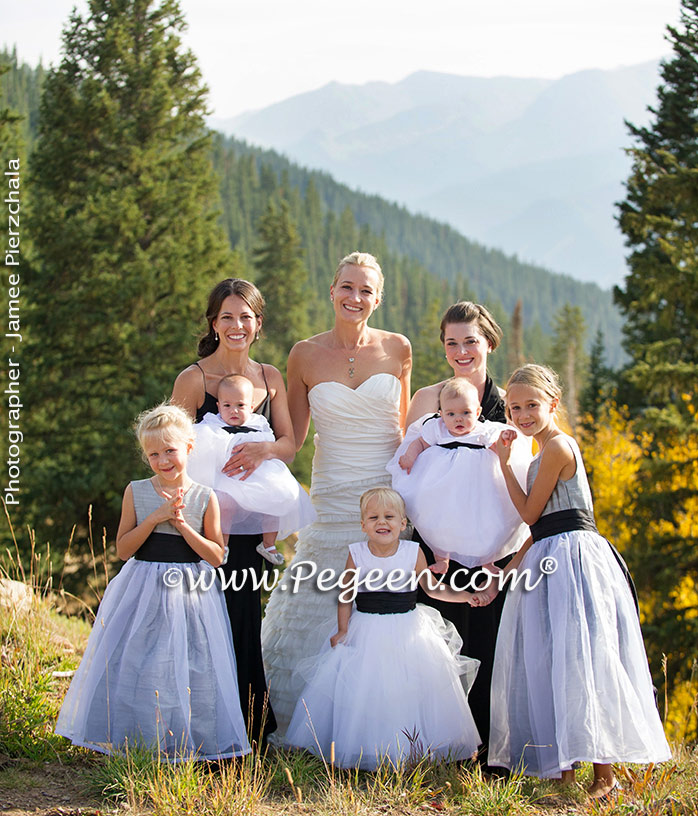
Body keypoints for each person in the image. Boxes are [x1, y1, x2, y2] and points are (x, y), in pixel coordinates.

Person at [484, 364, 670, 797]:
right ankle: (563, 768)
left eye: (532, 405)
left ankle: (603, 776)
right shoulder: (540, 451)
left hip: (574, 560)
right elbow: (538, 529)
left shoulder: (557, 448)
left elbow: (530, 513)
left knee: (584, 658)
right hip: (550, 553)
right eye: (513, 408)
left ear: (553, 403)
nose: (522, 414)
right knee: (553, 658)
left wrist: (503, 465)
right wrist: (508, 571)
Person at [262, 252, 412, 737]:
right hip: (329, 498)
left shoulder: (398, 349)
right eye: (347, 287)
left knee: (381, 609)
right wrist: (253, 450)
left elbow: (407, 431)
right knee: (314, 601)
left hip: (383, 499)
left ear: (377, 299)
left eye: (366, 290)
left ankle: (376, 726)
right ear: (332, 291)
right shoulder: (304, 354)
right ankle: (307, 722)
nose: (355, 297)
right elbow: (295, 438)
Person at [55, 404, 250, 761]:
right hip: (142, 585)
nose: (163, 460)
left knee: (189, 663)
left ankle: (183, 742)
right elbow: (123, 549)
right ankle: (137, 739)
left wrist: (181, 525)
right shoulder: (137, 491)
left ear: (189, 448)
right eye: (154, 454)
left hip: (190, 591)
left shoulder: (205, 497)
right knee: (140, 661)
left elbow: (216, 555)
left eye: (170, 451)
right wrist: (156, 518)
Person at [172, 278, 295, 745]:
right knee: (201, 618)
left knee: (243, 616)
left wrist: (263, 451)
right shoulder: (194, 379)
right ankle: (197, 726)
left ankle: (248, 730)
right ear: (214, 323)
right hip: (205, 521)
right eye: (227, 316)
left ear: (258, 324)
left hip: (247, 527)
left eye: (246, 316)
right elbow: (171, 446)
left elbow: (288, 443)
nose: (237, 325)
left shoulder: (270, 378)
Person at [285, 488, 480, 769]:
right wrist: (342, 630)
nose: (382, 522)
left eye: (389, 516)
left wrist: (464, 595)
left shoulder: (413, 552)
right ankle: (367, 747)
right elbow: (345, 595)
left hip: (408, 628)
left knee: (407, 687)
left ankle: (409, 749)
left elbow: (433, 589)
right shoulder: (357, 553)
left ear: (403, 523)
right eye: (373, 517)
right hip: (366, 627)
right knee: (367, 689)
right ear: (363, 524)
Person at [403, 301, 515, 762]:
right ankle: (435, 747)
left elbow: (528, 476)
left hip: (494, 546)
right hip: (436, 542)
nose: (462, 350)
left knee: (488, 641)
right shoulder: (429, 398)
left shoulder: (511, 402)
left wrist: (506, 557)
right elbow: (408, 469)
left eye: (471, 340)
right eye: (452, 342)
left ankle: (489, 748)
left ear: (489, 341)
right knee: (436, 640)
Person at [388, 377, 529, 568]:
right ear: (441, 414)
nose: (458, 419)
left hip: (477, 490)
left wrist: (506, 444)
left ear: (478, 412)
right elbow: (420, 442)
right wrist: (409, 456)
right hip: (445, 488)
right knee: (439, 521)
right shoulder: (437, 428)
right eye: (451, 414)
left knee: (487, 522)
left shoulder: (484, 431)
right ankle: (441, 558)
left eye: (466, 412)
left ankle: (488, 561)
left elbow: (497, 448)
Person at [187, 373, 315, 565]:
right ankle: (223, 544)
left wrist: (261, 448)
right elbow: (199, 438)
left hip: (259, 475)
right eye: (227, 406)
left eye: (240, 405)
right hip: (228, 477)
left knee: (277, 498)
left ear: (252, 406)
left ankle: (268, 544)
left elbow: (272, 440)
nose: (234, 411)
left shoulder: (258, 423)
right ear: (218, 406)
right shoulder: (213, 422)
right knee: (225, 504)